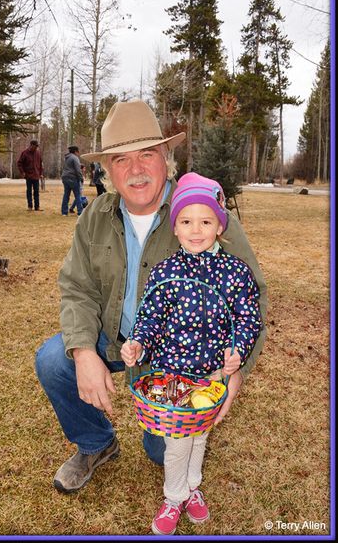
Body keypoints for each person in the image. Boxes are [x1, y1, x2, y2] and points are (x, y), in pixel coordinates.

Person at [35, 99, 267, 499]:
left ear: (166, 157)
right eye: (121, 159)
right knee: (55, 358)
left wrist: (236, 369)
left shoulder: (199, 213)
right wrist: (84, 353)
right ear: (107, 169)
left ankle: (170, 442)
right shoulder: (94, 215)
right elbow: (77, 287)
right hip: (116, 339)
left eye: (147, 154)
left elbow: (252, 299)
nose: (136, 169)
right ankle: (96, 443)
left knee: (162, 452)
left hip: (178, 358)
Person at [120, 172, 262, 535]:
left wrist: (237, 352)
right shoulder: (167, 271)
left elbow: (247, 318)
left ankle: (192, 488)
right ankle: (173, 497)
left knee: (200, 434)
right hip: (172, 378)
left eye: (205, 221)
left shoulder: (235, 273)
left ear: (219, 226)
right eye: (186, 221)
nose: (195, 230)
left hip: (211, 378)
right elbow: (150, 317)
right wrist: (139, 343)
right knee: (178, 442)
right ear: (176, 227)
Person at [17, 139, 44, 211]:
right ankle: (30, 206)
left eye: (37, 146)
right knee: (29, 191)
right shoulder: (25, 153)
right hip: (28, 176)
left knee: (36, 192)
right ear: (31, 145)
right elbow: (19, 163)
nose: (36, 148)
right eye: (35, 146)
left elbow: (41, 164)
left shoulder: (38, 153)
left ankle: (37, 207)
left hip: (36, 175)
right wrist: (22, 172)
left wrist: (41, 173)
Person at [61, 146, 84, 216]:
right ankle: (80, 212)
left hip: (65, 177)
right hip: (73, 178)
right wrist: (81, 178)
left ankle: (64, 212)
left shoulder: (66, 158)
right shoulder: (75, 158)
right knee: (77, 195)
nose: (78, 153)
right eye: (78, 152)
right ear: (75, 151)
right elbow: (78, 169)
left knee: (66, 194)